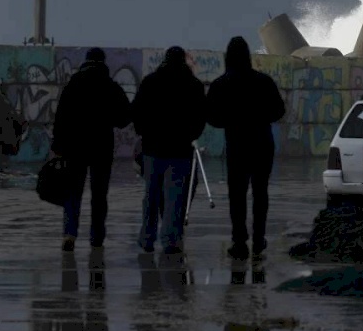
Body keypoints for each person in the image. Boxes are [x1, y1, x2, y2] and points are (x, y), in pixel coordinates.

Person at [207, 36, 285, 259]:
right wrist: (261, 117)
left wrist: (230, 120)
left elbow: (211, 117)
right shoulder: (264, 81)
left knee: (237, 194)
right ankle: (259, 239)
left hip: (237, 144)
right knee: (260, 193)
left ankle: (239, 241)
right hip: (262, 143)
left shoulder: (221, 84)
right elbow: (279, 111)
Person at [50, 47, 131, 251]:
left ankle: (69, 233)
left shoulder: (73, 84)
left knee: (73, 192)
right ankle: (97, 237)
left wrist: (58, 146)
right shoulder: (110, 86)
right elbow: (124, 118)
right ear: (104, 63)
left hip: (74, 147)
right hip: (101, 148)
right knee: (99, 195)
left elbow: (61, 118)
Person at [131, 46, 207, 255]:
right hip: (180, 150)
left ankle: (147, 238)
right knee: (175, 197)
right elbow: (201, 117)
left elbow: (136, 111)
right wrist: (191, 135)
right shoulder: (194, 85)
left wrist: (143, 133)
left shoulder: (150, 82)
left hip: (153, 149)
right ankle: (170, 240)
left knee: (151, 196)